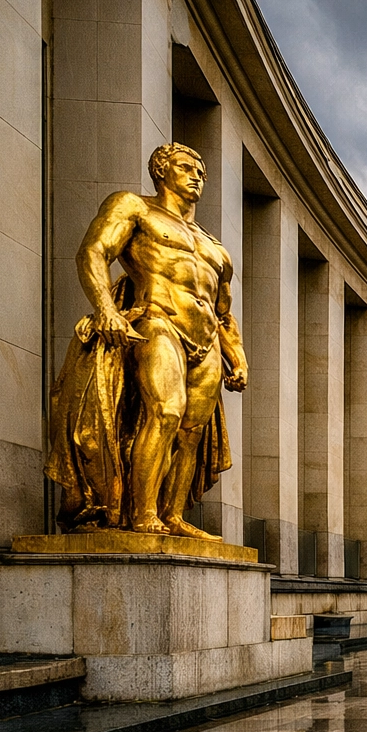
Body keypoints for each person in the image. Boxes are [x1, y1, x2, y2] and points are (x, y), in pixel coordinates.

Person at [46, 143, 247, 537]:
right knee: (167, 412)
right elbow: (94, 251)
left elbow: (222, 312)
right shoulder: (134, 207)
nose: (196, 177)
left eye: (201, 173)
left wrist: (237, 357)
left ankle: (172, 514)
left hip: (205, 343)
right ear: (161, 171)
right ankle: (142, 515)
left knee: (191, 434)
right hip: (158, 322)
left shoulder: (215, 248)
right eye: (186, 168)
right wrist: (105, 307)